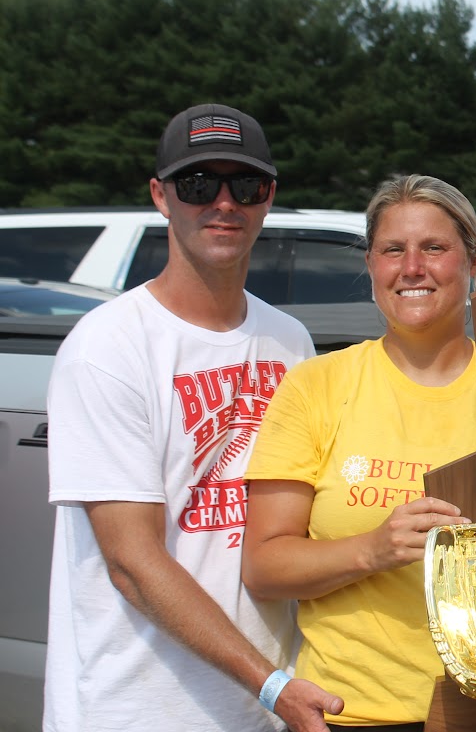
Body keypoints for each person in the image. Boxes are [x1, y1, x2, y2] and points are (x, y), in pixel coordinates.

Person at [45, 104, 344, 731]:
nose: (224, 203)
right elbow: (132, 562)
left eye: (246, 184)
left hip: (266, 710)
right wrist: (270, 685)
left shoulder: (290, 340)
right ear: (161, 195)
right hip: (138, 710)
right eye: (198, 183)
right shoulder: (108, 347)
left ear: (269, 198)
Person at [242, 174, 476, 730]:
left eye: (434, 248)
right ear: (372, 264)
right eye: (393, 250)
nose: (412, 267)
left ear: (472, 261)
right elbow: (263, 565)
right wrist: (374, 549)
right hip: (352, 713)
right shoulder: (315, 386)